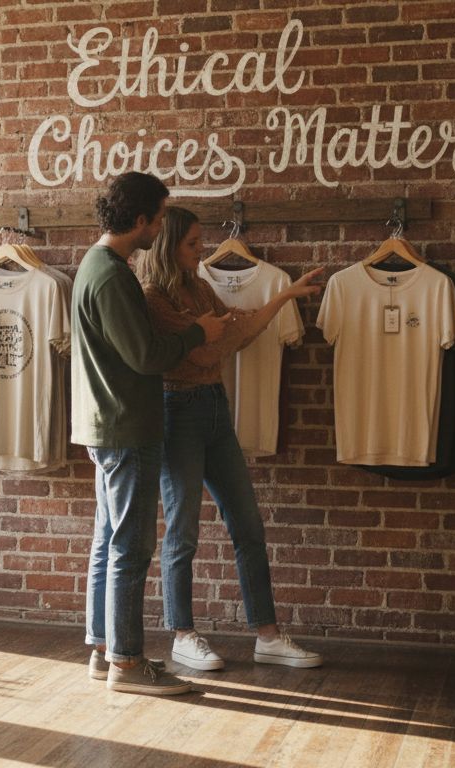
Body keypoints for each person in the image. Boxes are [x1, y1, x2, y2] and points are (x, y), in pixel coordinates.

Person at [136, 206, 325, 671]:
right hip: (176, 412)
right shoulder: (152, 295)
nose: (201, 253)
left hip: (215, 408)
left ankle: (267, 634)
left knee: (248, 526)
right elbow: (204, 350)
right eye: (192, 244)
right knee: (182, 532)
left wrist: (285, 296)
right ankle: (182, 633)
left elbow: (238, 335)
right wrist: (217, 333)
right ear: (168, 244)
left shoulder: (198, 287)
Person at [73, 173, 230, 695]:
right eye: (159, 218)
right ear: (139, 221)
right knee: (131, 549)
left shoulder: (96, 266)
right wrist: (197, 332)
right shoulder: (113, 276)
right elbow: (145, 356)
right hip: (126, 426)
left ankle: (102, 649)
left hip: (109, 424)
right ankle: (127, 663)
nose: (161, 227)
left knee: (107, 541)